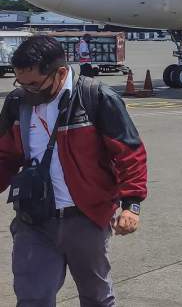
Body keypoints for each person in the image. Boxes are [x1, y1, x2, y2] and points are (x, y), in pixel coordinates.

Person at [0, 35, 148, 306]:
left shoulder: (96, 98)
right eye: (20, 83)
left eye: (34, 84)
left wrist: (132, 204)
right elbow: (5, 156)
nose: (26, 91)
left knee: (96, 298)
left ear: (61, 72)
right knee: (32, 298)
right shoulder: (17, 103)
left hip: (86, 218)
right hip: (33, 220)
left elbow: (129, 152)